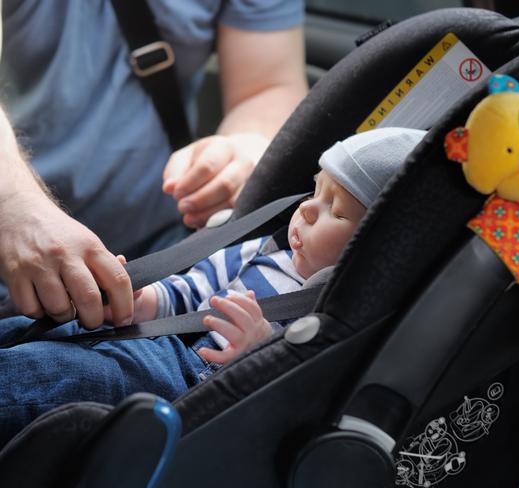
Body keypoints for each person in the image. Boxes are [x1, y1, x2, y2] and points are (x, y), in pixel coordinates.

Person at [0, 127, 427, 446]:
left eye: (336, 209)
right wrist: (137, 301)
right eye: (315, 192)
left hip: (189, 377)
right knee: (31, 323)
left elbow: (295, 387)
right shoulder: (264, 250)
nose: (307, 212)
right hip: (153, 334)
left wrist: (259, 348)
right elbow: (192, 290)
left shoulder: (337, 310)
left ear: (376, 243)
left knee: (58, 377)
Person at [0, 0, 308, 323]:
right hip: (14, 257)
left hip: (160, 258)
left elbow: (267, 87)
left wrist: (244, 147)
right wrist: (13, 205)